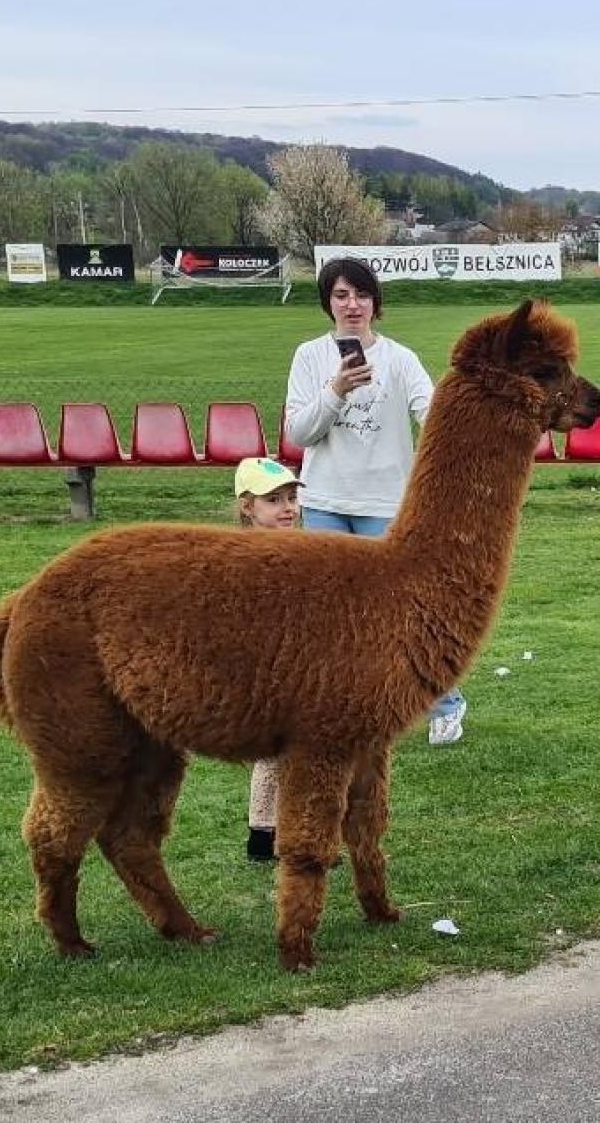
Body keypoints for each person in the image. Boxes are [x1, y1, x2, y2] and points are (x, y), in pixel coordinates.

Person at [284, 257, 468, 746]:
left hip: (385, 503)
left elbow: (432, 414)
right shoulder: (309, 357)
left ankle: (445, 703)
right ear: (328, 302)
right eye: (341, 295)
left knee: (406, 612)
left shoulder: (400, 359)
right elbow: (299, 431)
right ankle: (345, 704)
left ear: (375, 303)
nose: (352, 305)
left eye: (361, 295)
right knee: (328, 614)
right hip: (324, 498)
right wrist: (336, 391)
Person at [233, 455, 301, 862]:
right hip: (264, 670)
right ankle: (263, 835)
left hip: (298, 667)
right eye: (274, 500)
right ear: (248, 507)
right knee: (273, 755)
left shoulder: (299, 549)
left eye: (291, 497)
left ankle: (283, 833)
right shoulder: (245, 555)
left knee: (295, 755)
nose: (288, 508)